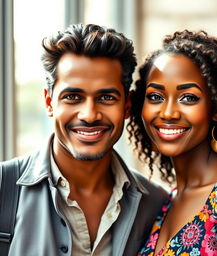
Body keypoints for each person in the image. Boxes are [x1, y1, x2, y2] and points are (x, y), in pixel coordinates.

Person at [0, 23, 168, 256]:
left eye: (106, 97)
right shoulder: (3, 187)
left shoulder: (155, 204)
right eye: (72, 97)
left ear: (127, 105)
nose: (89, 115)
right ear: (49, 103)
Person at [127, 30, 217, 256]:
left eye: (189, 98)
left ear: (215, 109)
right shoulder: (169, 200)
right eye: (155, 97)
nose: (168, 113)